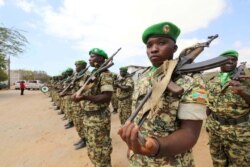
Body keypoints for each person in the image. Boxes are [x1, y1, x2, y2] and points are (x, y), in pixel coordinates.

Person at [118, 21, 208, 166]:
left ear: (175, 48)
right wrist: (132, 147)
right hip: (138, 159)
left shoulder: (191, 80)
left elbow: (189, 133)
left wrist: (155, 146)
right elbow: (138, 114)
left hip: (171, 161)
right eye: (149, 45)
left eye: (162, 43)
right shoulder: (143, 77)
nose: (154, 49)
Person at [206, 50, 250, 167]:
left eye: (234, 59)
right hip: (215, 130)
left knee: (240, 163)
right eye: (227, 58)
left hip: (239, 133)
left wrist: (243, 92)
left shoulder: (247, 79)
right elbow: (209, 104)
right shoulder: (212, 81)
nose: (230, 61)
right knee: (218, 161)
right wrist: (209, 123)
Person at [72, 48, 113, 167]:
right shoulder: (94, 74)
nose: (89, 59)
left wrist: (85, 97)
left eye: (92, 56)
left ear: (100, 58)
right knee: (92, 147)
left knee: (100, 149)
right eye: (89, 56)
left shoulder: (105, 75)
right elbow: (84, 88)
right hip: (88, 116)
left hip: (99, 118)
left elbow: (107, 97)